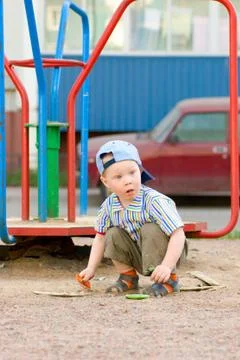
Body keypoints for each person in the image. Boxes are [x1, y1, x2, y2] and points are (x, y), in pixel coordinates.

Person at [78, 140, 186, 297]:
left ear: (140, 169)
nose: (128, 180)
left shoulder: (153, 201)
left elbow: (178, 234)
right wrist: (90, 268)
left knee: (150, 228)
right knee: (112, 232)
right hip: (140, 253)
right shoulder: (109, 206)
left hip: (169, 255)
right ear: (105, 181)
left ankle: (169, 281)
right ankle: (128, 276)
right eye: (118, 176)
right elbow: (100, 238)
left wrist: (167, 266)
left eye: (132, 173)